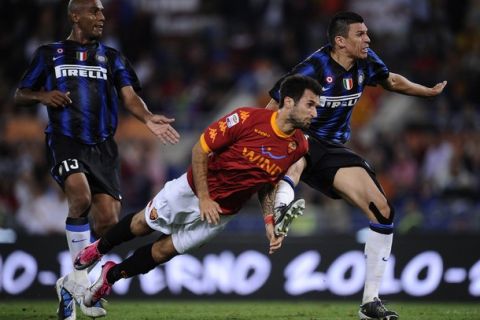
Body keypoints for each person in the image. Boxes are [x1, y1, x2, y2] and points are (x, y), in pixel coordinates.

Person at [71, 74, 320, 308]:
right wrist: (204, 198)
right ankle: (99, 249)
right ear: (288, 101)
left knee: (163, 251)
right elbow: (200, 150)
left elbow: (267, 183)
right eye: (310, 104)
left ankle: (110, 276)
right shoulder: (246, 119)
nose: (314, 112)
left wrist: (268, 220)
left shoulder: (297, 146)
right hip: (190, 191)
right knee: (142, 224)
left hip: (222, 213)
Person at [266, 12, 447, 320]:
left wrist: (426, 91)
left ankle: (370, 302)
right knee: (300, 152)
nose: (368, 39)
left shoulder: (366, 61)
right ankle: (281, 207)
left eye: (367, 33)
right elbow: (272, 107)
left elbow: (390, 81)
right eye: (361, 34)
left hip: (333, 150)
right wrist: (263, 144)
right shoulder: (312, 68)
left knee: (382, 210)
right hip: (299, 137)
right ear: (340, 41)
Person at [14, 0, 180, 319]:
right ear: (75, 15)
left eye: (103, 12)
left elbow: (129, 96)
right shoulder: (49, 54)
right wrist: (42, 95)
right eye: (95, 11)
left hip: (103, 147)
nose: (101, 17)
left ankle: (69, 285)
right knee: (80, 197)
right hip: (65, 141)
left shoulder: (112, 57)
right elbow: (19, 93)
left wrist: (147, 118)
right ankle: (80, 283)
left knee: (106, 222)